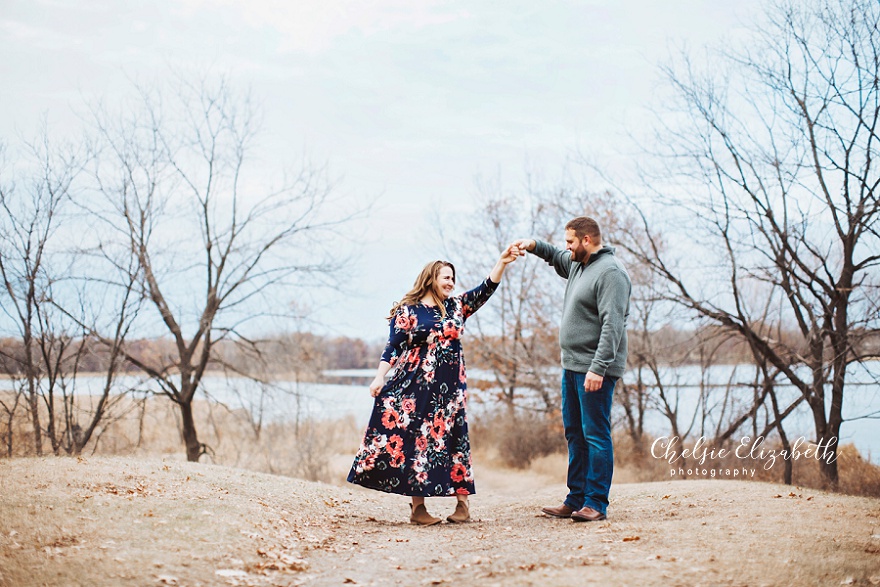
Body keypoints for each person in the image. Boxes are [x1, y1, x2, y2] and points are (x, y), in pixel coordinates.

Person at [347, 247, 519, 525]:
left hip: (450, 389)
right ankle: (418, 509)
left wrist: (501, 262)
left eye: (453, 278)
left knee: (455, 437)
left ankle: (462, 505)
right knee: (417, 440)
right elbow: (393, 346)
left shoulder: (457, 306)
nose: (451, 283)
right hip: (415, 385)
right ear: (431, 279)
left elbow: (486, 290)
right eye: (446, 278)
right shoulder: (409, 311)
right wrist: (379, 377)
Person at [511, 216, 631, 522]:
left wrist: (598, 367)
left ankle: (596, 503)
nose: (567, 248)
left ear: (586, 241)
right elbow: (554, 255)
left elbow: (613, 325)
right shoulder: (580, 264)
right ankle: (575, 498)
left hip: (595, 368)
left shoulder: (611, 274)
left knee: (595, 435)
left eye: (570, 242)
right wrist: (533, 245)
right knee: (575, 434)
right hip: (572, 366)